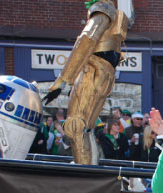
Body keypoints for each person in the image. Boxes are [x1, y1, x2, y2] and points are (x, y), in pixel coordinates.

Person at [43, 0, 129, 164]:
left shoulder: (102, 9)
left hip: (93, 70)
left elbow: (87, 38)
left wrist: (63, 79)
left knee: (76, 127)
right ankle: (90, 172)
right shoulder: (111, 11)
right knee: (85, 129)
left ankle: (85, 179)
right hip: (102, 72)